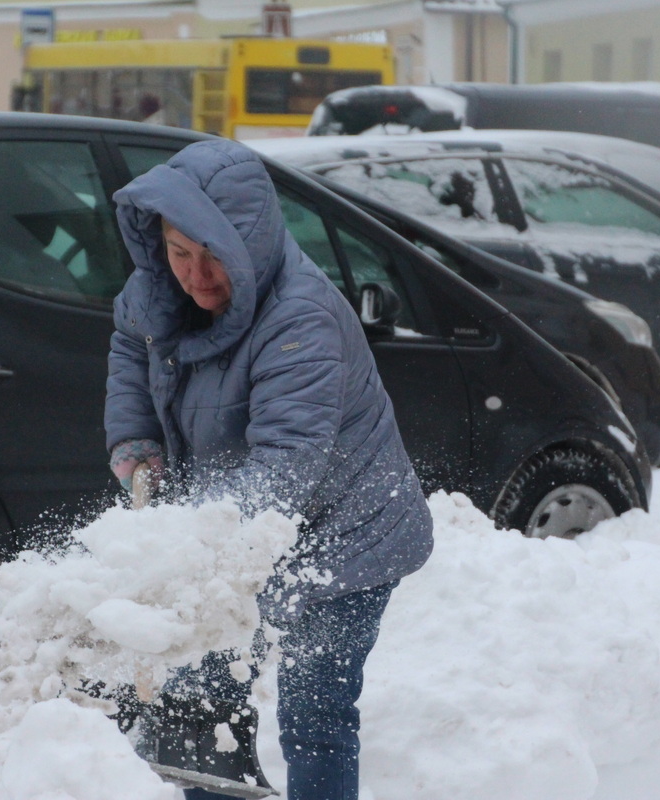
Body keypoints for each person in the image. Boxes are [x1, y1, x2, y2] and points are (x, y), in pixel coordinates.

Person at [104, 138, 434, 800]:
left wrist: (190, 554)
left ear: (248, 244)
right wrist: (136, 437)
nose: (195, 276)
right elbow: (131, 345)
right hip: (237, 528)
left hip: (345, 538)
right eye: (179, 253)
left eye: (213, 256)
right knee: (202, 698)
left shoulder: (299, 319)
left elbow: (286, 466)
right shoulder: (158, 293)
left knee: (315, 713)